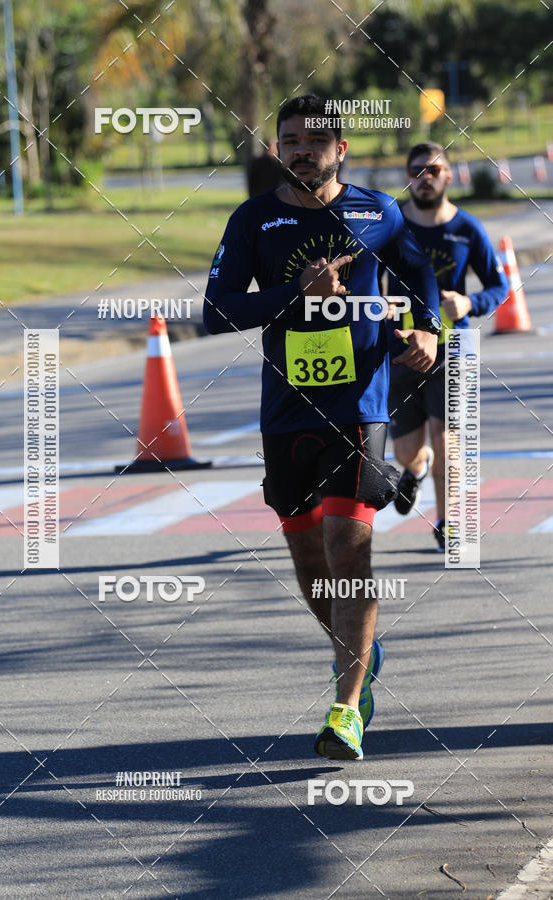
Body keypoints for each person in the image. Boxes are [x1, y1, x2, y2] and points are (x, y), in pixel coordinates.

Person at [203, 94, 440, 761]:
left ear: (341, 149)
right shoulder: (255, 219)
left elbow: (419, 273)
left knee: (347, 550)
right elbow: (217, 312)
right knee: (311, 561)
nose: (302, 150)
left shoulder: (378, 212)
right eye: (290, 141)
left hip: (358, 406)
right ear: (277, 149)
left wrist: (428, 328)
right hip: (286, 411)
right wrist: (292, 295)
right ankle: (358, 651)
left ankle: (347, 707)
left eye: (314, 140)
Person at [387, 142, 508, 551]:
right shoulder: (389, 225)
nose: (425, 178)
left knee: (447, 442)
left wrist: (470, 302)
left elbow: (499, 286)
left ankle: (448, 523)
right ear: (408, 177)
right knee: (406, 450)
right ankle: (415, 470)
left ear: (449, 176)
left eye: (434, 170)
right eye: (417, 171)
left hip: (453, 349)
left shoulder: (467, 229)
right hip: (401, 349)